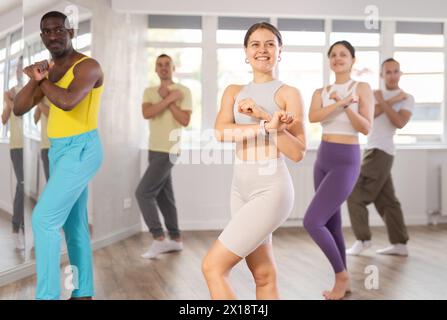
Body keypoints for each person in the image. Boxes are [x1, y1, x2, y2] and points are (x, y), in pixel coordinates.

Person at [202, 22, 306, 299]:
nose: (263, 50)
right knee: (262, 275)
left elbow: (297, 152)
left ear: (280, 51)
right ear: (246, 52)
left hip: (271, 188)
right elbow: (221, 132)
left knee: (213, 267)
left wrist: (264, 116)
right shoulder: (234, 92)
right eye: (255, 44)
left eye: (270, 44)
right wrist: (264, 127)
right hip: (240, 187)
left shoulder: (288, 93)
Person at [13, 11, 104, 300]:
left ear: (71, 32)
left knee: (42, 218)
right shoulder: (49, 72)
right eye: (47, 32)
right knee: (74, 225)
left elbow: (67, 101)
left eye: (59, 30)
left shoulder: (88, 66)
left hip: (83, 149)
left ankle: (48, 295)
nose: (53, 36)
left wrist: (41, 81)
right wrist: (35, 80)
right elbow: (19, 108)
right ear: (42, 37)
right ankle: (83, 290)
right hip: (59, 150)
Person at [304, 40, 374, 300]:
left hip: (346, 159)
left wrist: (345, 105)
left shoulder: (362, 88)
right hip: (323, 158)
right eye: (333, 55)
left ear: (352, 60)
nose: (337, 58)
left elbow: (366, 127)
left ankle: (342, 275)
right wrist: (339, 101)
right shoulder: (320, 91)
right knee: (331, 223)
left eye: (343, 54)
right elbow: (313, 117)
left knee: (312, 221)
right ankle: (341, 280)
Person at [346, 58, 413, 257]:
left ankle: (363, 239)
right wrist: (389, 101)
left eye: (396, 71)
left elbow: (399, 122)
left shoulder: (407, 98)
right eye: (388, 72)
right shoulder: (375, 95)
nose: (392, 75)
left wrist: (384, 101)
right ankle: (400, 244)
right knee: (387, 200)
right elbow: (369, 118)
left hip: (382, 151)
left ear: (400, 74)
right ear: (382, 75)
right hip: (371, 149)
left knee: (354, 192)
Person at [136, 54, 192, 259]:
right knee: (164, 196)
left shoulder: (184, 91)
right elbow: (147, 113)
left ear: (173, 67)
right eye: (159, 65)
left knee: (143, 192)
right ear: (155, 69)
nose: (163, 68)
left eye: (167, 64)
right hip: (154, 149)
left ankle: (158, 238)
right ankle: (176, 240)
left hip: (170, 149)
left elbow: (184, 120)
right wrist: (168, 98)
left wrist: (168, 100)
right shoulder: (149, 91)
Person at [1, 56, 24, 250]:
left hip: (29, 147)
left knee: (22, 187)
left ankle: (21, 228)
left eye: (21, 68)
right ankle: (17, 229)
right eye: (17, 68)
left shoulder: (32, 90)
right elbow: (4, 119)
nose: (19, 71)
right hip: (17, 146)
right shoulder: (11, 92)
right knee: (22, 186)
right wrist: (8, 102)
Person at [34, 97, 50, 181]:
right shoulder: (42, 97)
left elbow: (51, 115)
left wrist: (39, 103)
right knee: (49, 181)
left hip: (54, 145)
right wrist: (39, 103)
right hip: (44, 146)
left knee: (55, 183)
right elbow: (35, 119)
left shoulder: (54, 94)